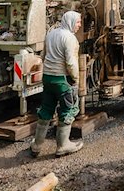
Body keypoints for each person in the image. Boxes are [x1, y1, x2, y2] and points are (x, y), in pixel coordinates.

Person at [31, 10, 84, 157]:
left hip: (48, 78)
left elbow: (43, 55)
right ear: (71, 21)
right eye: (78, 22)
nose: (79, 25)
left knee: (46, 109)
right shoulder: (70, 38)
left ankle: (36, 145)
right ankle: (63, 145)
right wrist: (76, 80)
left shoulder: (51, 34)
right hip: (62, 80)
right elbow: (71, 63)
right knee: (68, 109)